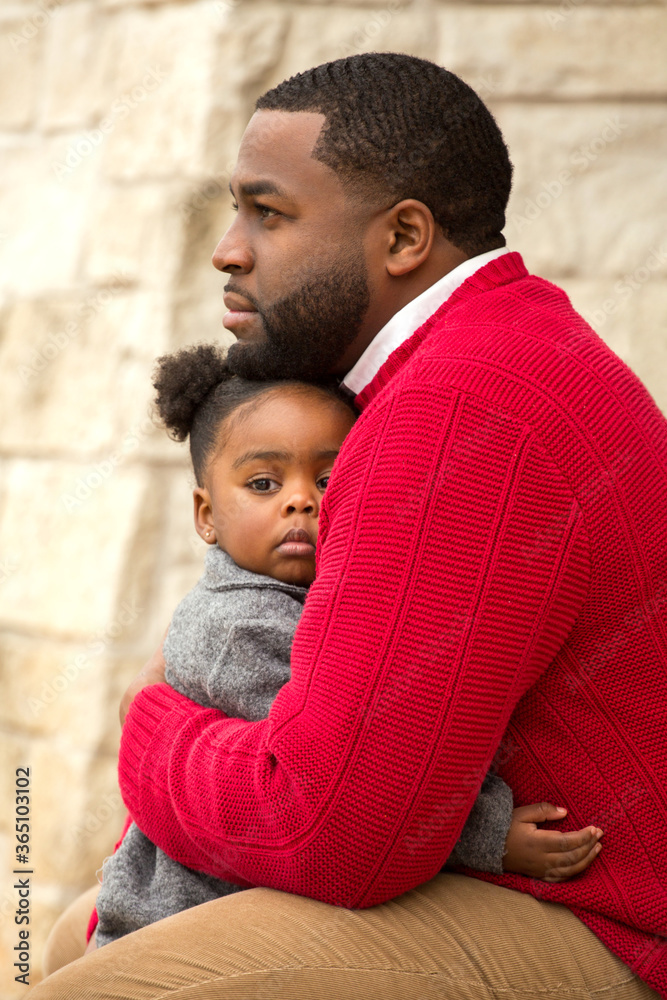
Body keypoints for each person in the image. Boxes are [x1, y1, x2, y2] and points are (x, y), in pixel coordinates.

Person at [32, 53, 666, 999]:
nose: (228, 249)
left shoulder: (456, 410)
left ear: (403, 236)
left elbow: (332, 832)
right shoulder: (499, 348)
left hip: (605, 919)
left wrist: (150, 732)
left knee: (102, 986)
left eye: (269, 212)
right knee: (63, 932)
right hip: (559, 886)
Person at [88, 343, 600, 950]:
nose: (301, 499)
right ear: (206, 515)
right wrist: (489, 837)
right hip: (184, 926)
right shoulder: (239, 629)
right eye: (262, 482)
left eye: (329, 480)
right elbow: (341, 781)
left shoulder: (315, 596)